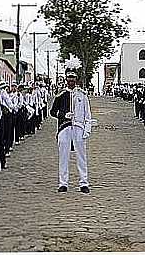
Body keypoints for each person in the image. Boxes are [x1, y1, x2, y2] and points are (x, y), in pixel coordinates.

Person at [50, 55, 92, 194]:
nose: (71, 80)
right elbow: (52, 112)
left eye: (73, 78)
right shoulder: (60, 95)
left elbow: (87, 114)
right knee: (63, 156)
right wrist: (63, 115)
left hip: (79, 128)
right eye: (69, 77)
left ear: (76, 79)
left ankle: (84, 182)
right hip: (64, 128)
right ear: (66, 79)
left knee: (81, 155)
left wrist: (87, 129)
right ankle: (63, 183)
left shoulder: (82, 94)